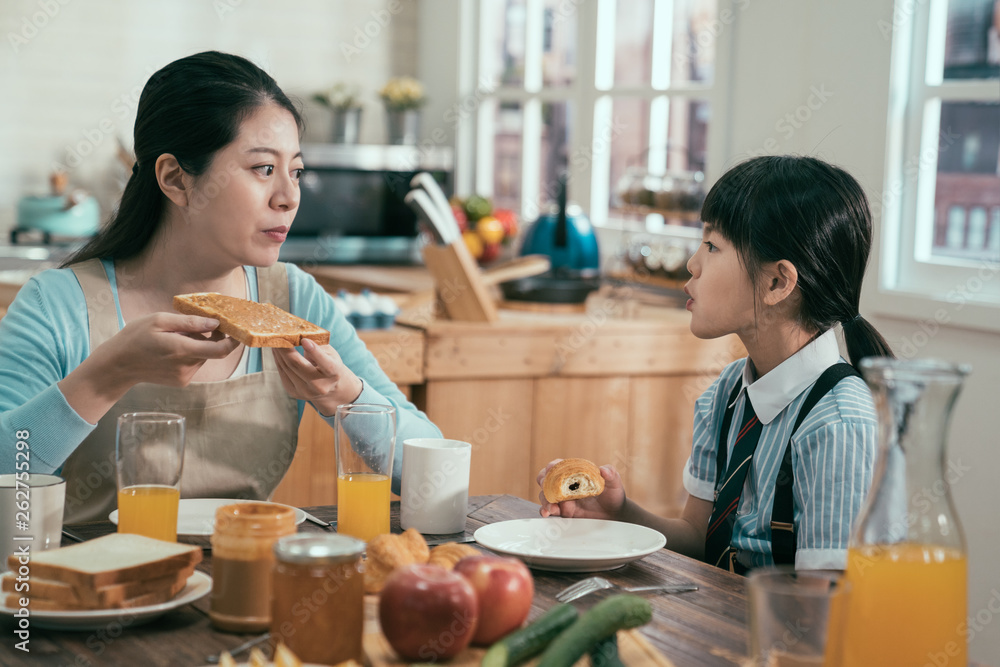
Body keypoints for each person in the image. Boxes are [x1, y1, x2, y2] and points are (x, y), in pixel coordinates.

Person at [0, 51, 441, 522]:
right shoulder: (58, 304)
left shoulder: (293, 299)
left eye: (296, 171)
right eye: (263, 169)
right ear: (175, 179)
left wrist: (348, 397)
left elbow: (433, 466)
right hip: (93, 588)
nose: (290, 198)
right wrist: (107, 374)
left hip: (245, 576)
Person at [537, 155, 894, 573]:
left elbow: (827, 612)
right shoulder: (727, 393)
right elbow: (700, 537)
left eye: (711, 245)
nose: (692, 264)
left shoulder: (838, 424)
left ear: (777, 283)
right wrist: (621, 514)